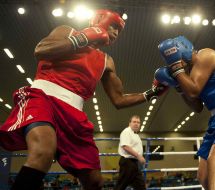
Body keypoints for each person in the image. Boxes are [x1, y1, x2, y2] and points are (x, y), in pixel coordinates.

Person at [0, 10, 168, 190]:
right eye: (113, 26)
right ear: (98, 20)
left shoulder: (106, 61)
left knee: (94, 180)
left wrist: (152, 93)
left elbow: (118, 100)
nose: (116, 33)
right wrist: (83, 39)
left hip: (73, 114)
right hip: (42, 100)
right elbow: (41, 50)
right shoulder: (67, 31)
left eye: (119, 31)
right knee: (43, 152)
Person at [156, 36, 215, 190]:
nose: (176, 65)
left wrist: (176, 70)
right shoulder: (191, 75)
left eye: (176, 61)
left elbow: (194, 92)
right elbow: (197, 107)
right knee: (204, 176)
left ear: (182, 52)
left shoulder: (205, 55)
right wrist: (178, 86)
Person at [115, 115, 146, 190]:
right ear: (130, 123)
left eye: (138, 122)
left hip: (134, 163)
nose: (136, 124)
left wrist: (138, 158)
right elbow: (125, 146)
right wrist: (139, 156)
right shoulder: (126, 131)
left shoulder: (136, 134)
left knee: (141, 186)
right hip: (127, 162)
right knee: (120, 186)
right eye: (134, 122)